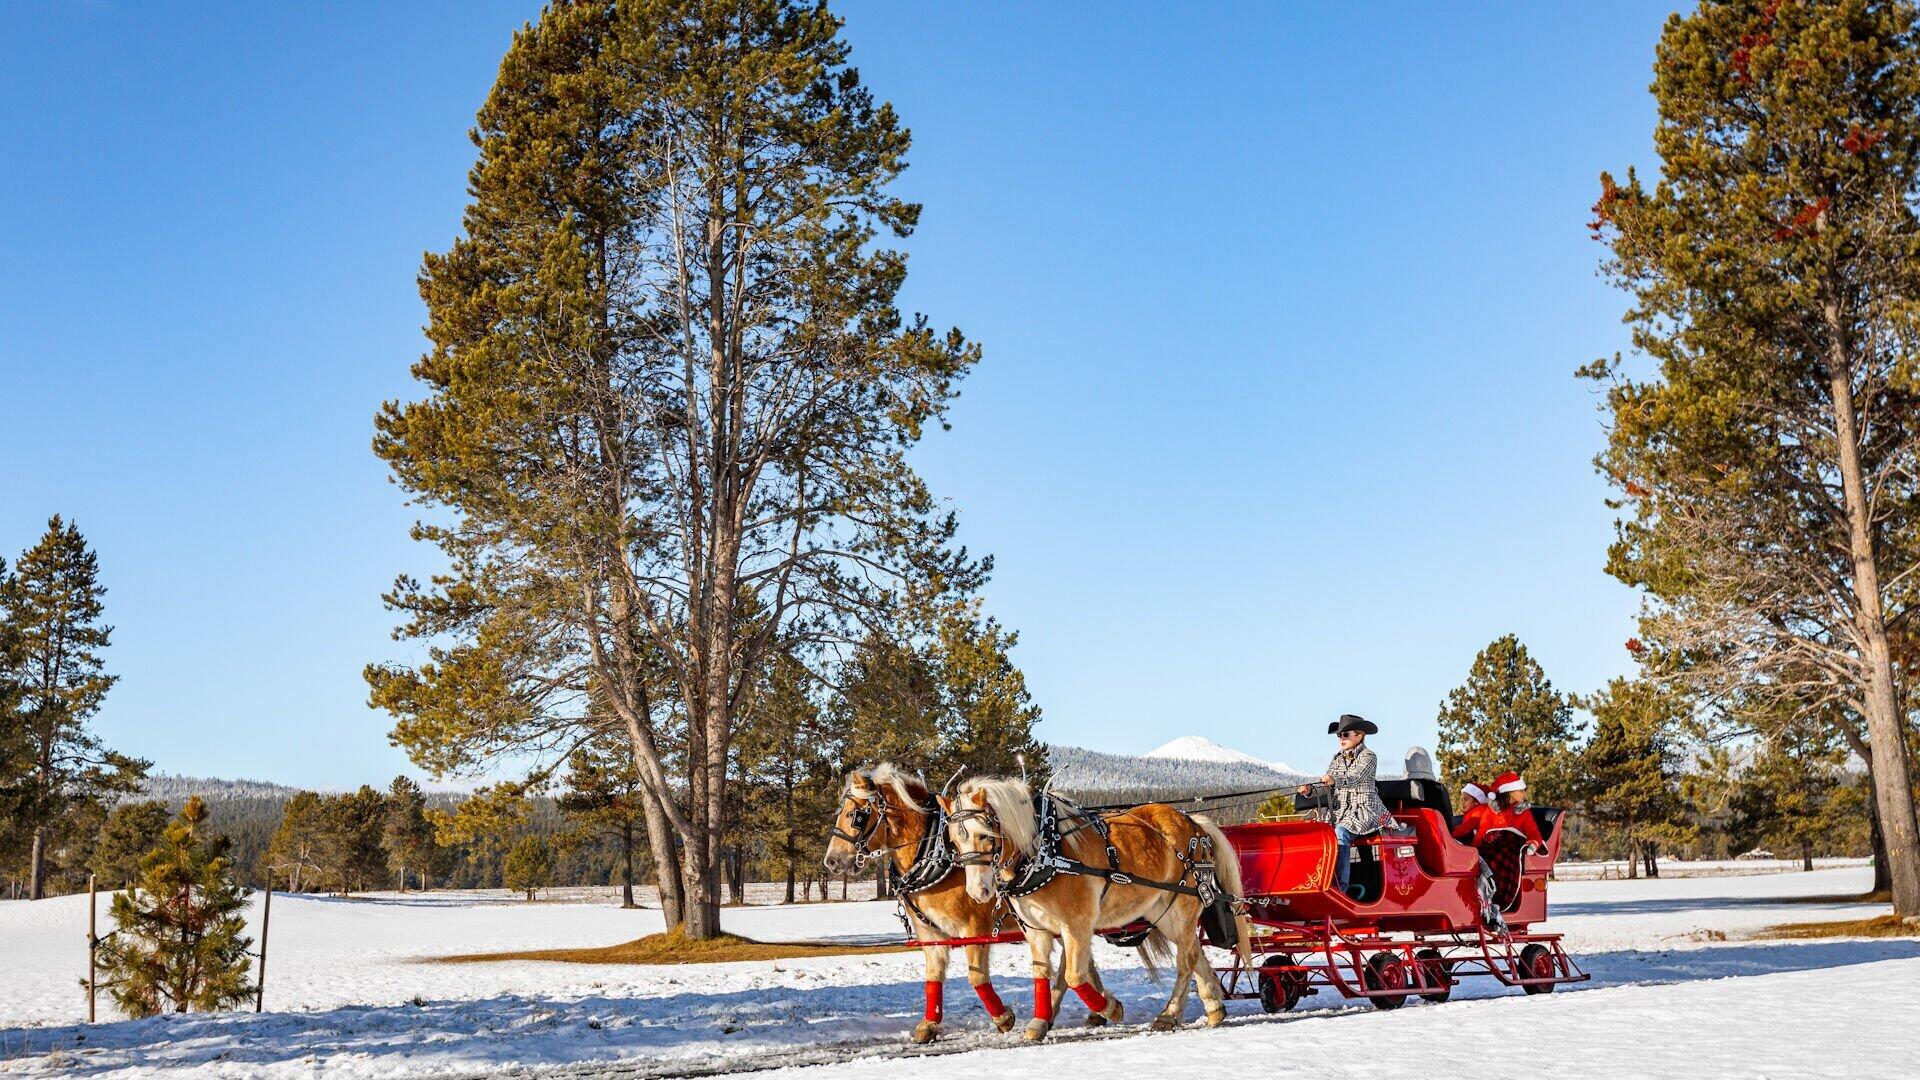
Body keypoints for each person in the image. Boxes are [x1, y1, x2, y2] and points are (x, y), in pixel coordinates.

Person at [1297, 714, 1390, 898]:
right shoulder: (1336, 759)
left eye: (1345, 734)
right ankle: (1316, 882)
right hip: (1341, 811)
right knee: (1317, 832)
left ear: (1359, 735)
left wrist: (1334, 779)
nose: (1341, 739)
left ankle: (1341, 888)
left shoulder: (1369, 757)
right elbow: (1327, 787)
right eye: (1339, 735)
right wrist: (1309, 791)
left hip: (1365, 809)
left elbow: (1355, 777)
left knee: (1341, 832)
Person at [1472, 771, 1547, 849]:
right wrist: (1473, 852)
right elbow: (1480, 835)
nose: (1524, 793)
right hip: (1493, 851)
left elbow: (1533, 832)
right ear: (1511, 792)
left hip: (1516, 852)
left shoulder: (1524, 812)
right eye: (1521, 790)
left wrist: (1533, 844)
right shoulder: (1491, 811)